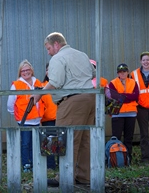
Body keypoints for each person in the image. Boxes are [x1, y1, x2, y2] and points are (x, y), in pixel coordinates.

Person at [32, 32, 96, 187]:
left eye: (48, 48)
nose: (48, 52)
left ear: (56, 44)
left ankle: (65, 178)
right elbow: (93, 72)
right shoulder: (81, 54)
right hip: (90, 99)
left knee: (66, 139)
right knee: (84, 140)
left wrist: (38, 94)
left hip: (71, 101)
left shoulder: (57, 58)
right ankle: (84, 176)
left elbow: (55, 81)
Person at [7, 59, 44, 172]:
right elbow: (10, 104)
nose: (25, 72)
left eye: (27, 70)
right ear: (20, 72)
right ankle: (26, 164)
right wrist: (17, 114)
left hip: (37, 120)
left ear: (31, 71)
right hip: (25, 120)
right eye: (23, 71)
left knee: (36, 144)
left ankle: (35, 163)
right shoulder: (16, 85)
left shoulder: (38, 82)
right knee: (25, 143)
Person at [109, 63, 139, 163]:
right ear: (118, 73)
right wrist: (127, 96)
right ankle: (115, 159)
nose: (122, 74)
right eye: (120, 72)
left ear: (127, 72)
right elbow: (114, 96)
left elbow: (136, 96)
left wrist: (122, 96)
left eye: (124, 71)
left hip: (131, 114)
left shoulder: (133, 82)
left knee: (128, 138)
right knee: (116, 137)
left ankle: (128, 158)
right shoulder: (112, 83)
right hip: (117, 113)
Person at [130, 52, 149, 163]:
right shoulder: (134, 74)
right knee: (144, 134)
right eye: (144, 60)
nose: (146, 62)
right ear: (140, 61)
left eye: (148, 60)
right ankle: (145, 158)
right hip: (141, 108)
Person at [40, 62, 58, 170]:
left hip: (61, 118)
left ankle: (62, 164)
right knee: (49, 143)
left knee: (61, 142)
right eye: (47, 69)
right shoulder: (42, 86)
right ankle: (51, 165)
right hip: (48, 120)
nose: (49, 71)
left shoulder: (61, 85)